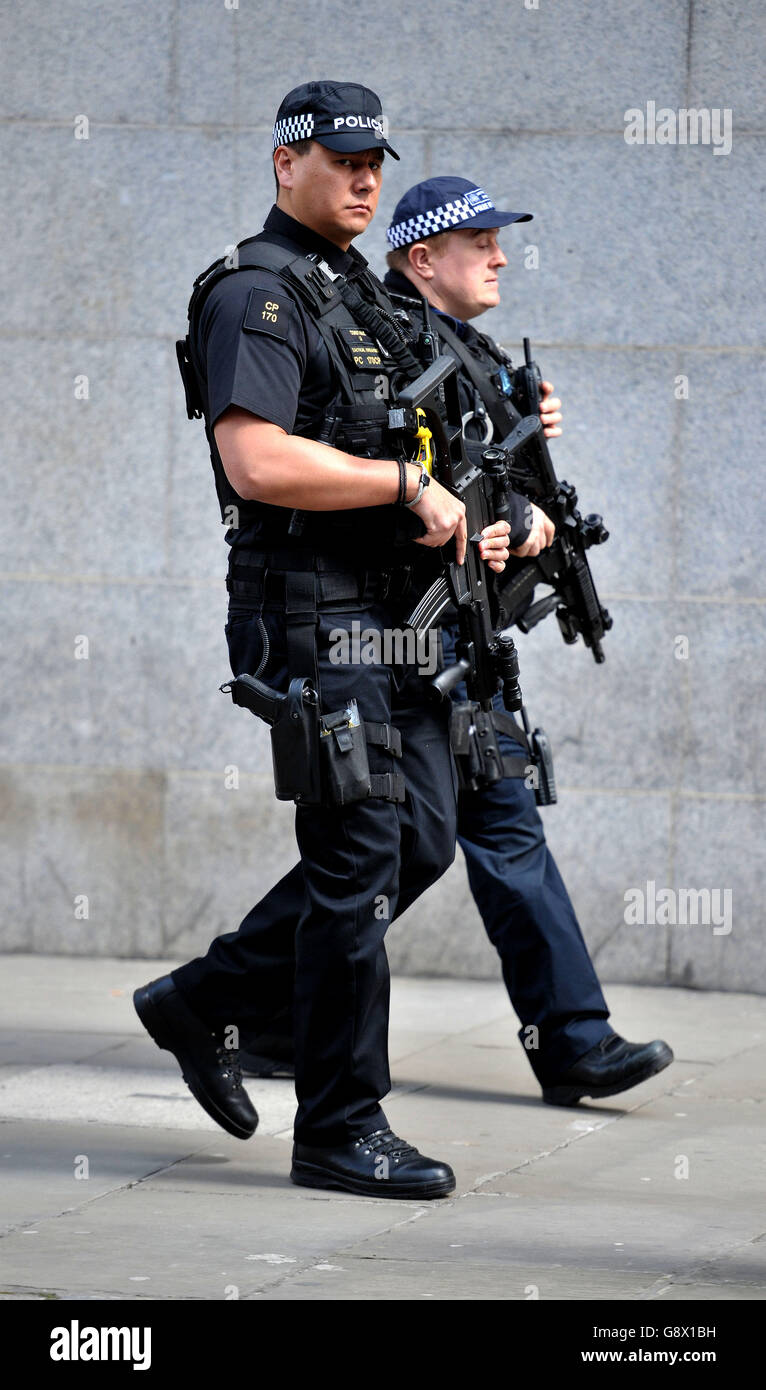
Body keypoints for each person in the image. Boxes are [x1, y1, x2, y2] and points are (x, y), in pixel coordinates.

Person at [133, 85, 513, 1201]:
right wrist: (404, 483)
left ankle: (203, 999)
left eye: (374, 161)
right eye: (340, 158)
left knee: (424, 838)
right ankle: (343, 1125)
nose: (363, 178)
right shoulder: (256, 294)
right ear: (282, 162)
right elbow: (256, 462)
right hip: (312, 611)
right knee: (354, 868)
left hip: (398, 615)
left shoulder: (361, 295)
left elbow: (439, 433)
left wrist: (481, 502)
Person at [237, 176, 674, 1108]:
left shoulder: (460, 346)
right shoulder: (392, 345)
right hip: (406, 634)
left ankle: (573, 1039)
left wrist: (525, 485)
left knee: (494, 829)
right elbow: (420, 477)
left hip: (462, 633)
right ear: (423, 256)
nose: (502, 256)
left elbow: (479, 475)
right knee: (385, 848)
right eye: (481, 242)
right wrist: (507, 509)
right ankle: (238, 1003)